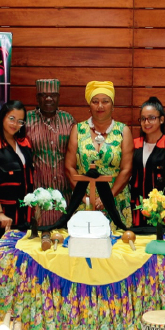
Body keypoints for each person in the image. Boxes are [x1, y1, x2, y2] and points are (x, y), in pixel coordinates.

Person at [64, 80, 133, 227]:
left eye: (105, 101)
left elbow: (126, 170)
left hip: (116, 199)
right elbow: (69, 167)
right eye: (95, 101)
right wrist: (84, 198)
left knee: (118, 247)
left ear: (113, 105)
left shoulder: (123, 131)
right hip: (84, 200)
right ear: (89, 105)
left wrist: (106, 198)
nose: (100, 106)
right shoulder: (78, 130)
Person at [24, 79, 75, 225]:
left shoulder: (68, 120)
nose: (48, 98)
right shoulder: (27, 120)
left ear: (58, 97)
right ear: (37, 98)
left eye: (53, 95)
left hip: (65, 194)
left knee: (64, 240)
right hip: (38, 196)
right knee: (39, 241)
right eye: (43, 95)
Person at [0, 100, 34, 238]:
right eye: (12, 119)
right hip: (5, 217)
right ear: (2, 117)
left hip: (25, 215)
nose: (15, 124)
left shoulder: (24, 143)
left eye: (20, 121)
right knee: (6, 256)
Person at [130, 97, 165, 229]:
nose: (146, 122)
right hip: (138, 208)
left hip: (163, 211)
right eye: (143, 119)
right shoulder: (134, 145)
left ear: (162, 119)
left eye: (152, 118)